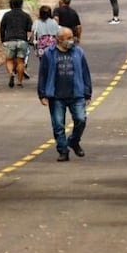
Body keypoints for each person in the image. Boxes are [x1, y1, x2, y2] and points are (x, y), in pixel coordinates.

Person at [37, 27, 92, 162]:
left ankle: (73, 141)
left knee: (81, 119)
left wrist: (87, 92)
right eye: (68, 38)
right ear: (59, 40)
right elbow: (43, 74)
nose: (71, 40)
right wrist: (42, 94)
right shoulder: (49, 53)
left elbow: (85, 72)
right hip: (56, 96)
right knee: (58, 125)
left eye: (71, 37)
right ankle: (62, 150)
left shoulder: (78, 52)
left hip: (76, 94)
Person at [0, 0, 33, 88]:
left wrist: (3, 39)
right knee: (20, 62)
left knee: (9, 60)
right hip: (22, 40)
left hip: (9, 40)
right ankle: (19, 81)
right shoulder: (26, 15)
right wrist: (28, 40)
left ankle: (11, 73)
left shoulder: (6, 15)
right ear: (21, 5)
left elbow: (2, 28)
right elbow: (29, 30)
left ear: (11, 5)